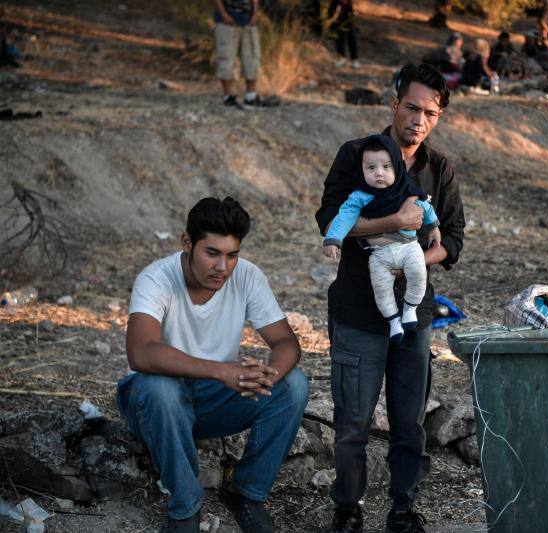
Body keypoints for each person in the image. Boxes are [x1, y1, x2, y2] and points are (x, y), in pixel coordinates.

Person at [315, 63, 465, 533]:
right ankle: (348, 508)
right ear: (394, 103)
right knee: (352, 423)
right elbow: (331, 221)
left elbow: (454, 238)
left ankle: (403, 509)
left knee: (409, 423)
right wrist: (393, 225)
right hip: (359, 312)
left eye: (432, 113)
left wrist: (418, 259)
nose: (420, 120)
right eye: (414, 107)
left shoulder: (438, 168)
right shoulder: (356, 155)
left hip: (415, 315)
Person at [117, 197, 309, 533]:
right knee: (159, 387)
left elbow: (286, 343)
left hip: (212, 399)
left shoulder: (247, 276)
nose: (223, 266)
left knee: (293, 386)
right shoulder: (157, 278)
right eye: (212, 253)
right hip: (153, 404)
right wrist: (222, 370)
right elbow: (141, 352)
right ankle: (185, 506)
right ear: (187, 243)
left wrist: (268, 375)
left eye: (231, 255)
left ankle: (247, 491)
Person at [322, 134, 441, 342]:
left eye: (386, 167)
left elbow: (425, 207)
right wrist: (333, 239)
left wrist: (433, 227)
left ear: (397, 167)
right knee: (381, 289)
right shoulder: (359, 197)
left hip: (408, 246)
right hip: (379, 254)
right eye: (371, 168)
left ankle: (410, 308)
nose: (379, 174)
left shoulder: (406, 191)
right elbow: (344, 217)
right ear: (362, 170)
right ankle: (394, 321)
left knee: (418, 273)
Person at [212, 0, 271, 109]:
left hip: (248, 19)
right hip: (227, 18)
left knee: (252, 56)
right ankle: (228, 97)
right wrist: (223, 15)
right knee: (226, 57)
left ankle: (251, 97)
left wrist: (255, 14)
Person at [330, 0, 359, 69]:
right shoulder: (335, 3)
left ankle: (354, 60)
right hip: (339, 19)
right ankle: (342, 58)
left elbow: (352, 8)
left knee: (352, 39)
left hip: (349, 19)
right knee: (339, 39)